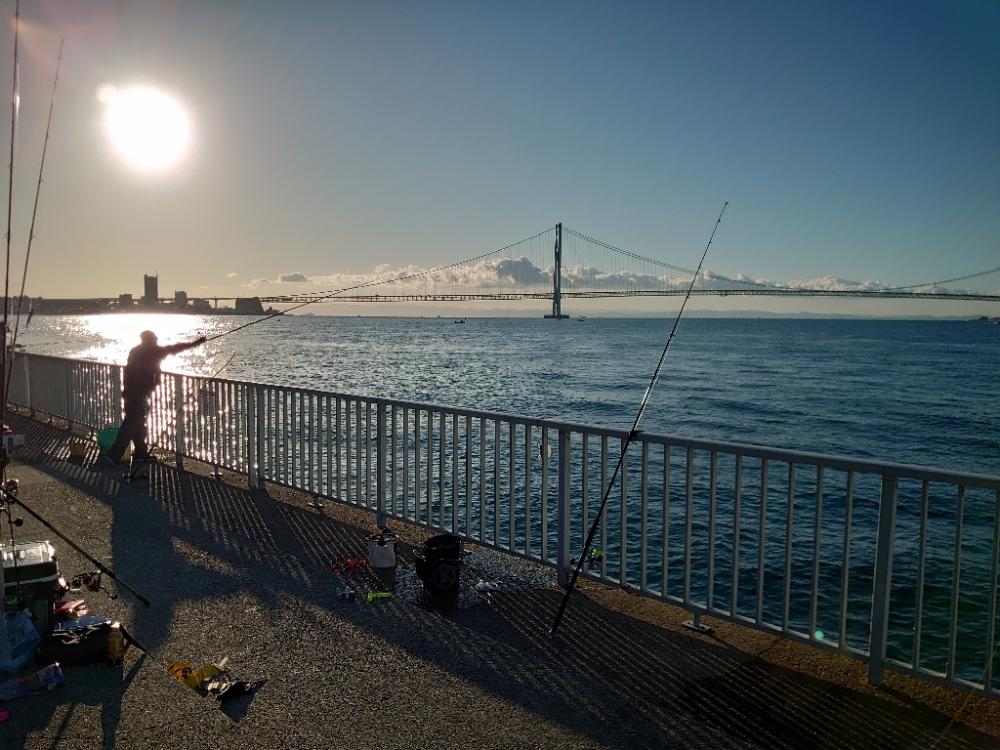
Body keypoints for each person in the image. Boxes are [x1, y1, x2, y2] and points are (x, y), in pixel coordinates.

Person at [101, 330, 207, 465]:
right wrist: (196, 343)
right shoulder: (152, 351)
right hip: (137, 394)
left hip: (131, 393)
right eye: (154, 338)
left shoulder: (135, 351)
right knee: (130, 425)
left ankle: (140, 453)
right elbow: (175, 348)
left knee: (138, 424)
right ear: (150, 340)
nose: (156, 340)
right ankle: (113, 455)